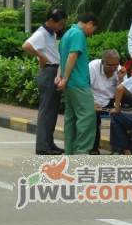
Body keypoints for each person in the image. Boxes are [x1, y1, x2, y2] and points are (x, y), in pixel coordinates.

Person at [22, 8, 68, 154]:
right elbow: (26, 46)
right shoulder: (41, 33)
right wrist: (41, 57)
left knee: (52, 111)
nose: (61, 27)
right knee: (46, 111)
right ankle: (42, 146)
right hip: (49, 71)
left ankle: (49, 143)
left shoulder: (51, 33)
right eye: (60, 24)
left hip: (53, 71)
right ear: (51, 21)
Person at [57, 13, 98, 155]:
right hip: (78, 83)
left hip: (69, 84)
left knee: (71, 118)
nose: (91, 33)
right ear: (90, 23)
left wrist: (60, 77)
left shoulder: (67, 33)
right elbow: (72, 56)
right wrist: (66, 78)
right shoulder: (78, 34)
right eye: (93, 29)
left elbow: (61, 58)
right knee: (87, 116)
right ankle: (81, 153)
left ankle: (70, 152)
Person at [88, 49, 127, 154]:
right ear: (102, 62)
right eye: (110, 65)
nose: (113, 68)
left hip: (111, 100)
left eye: (116, 65)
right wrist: (91, 102)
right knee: (94, 116)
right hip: (92, 98)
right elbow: (85, 87)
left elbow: (121, 94)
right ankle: (94, 148)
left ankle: (118, 149)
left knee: (120, 114)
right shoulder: (92, 66)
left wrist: (120, 79)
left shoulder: (119, 71)